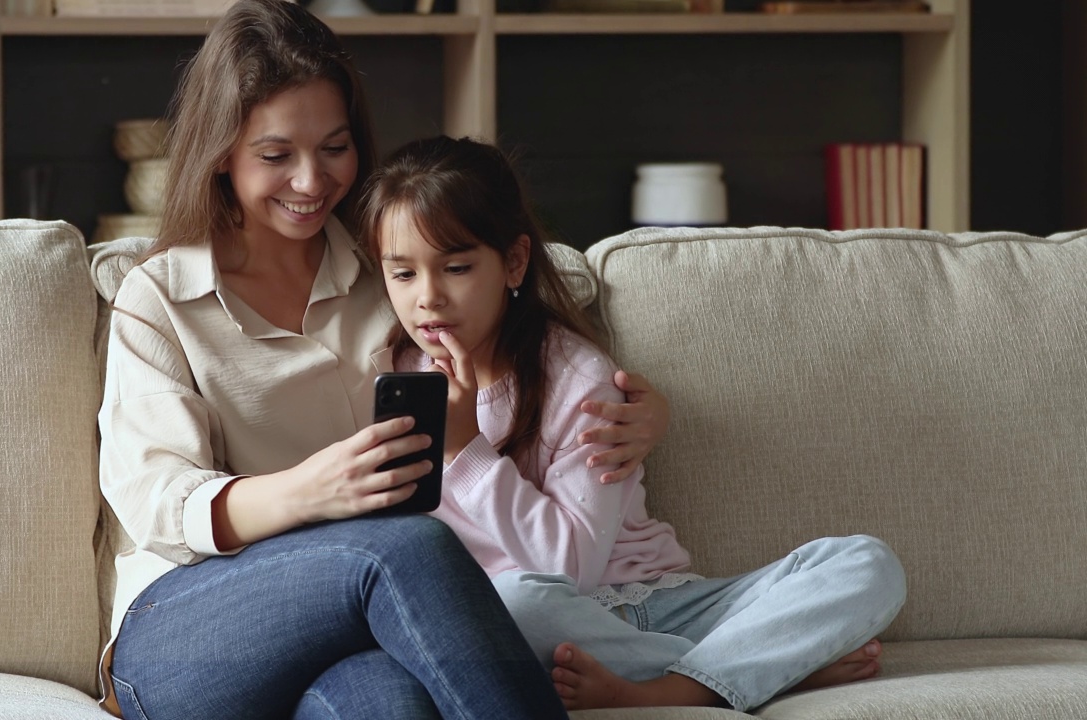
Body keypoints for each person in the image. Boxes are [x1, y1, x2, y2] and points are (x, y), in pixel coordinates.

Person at [96, 2, 669, 719]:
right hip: (191, 630)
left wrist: (640, 408)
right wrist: (312, 491)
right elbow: (159, 501)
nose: (312, 181)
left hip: (359, 631)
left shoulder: (395, 272)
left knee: (390, 702)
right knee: (404, 548)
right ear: (222, 155)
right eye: (276, 156)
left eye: (334, 148)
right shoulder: (160, 300)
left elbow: (521, 325)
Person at [356, 134, 908, 714]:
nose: (429, 299)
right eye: (403, 275)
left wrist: (467, 451)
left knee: (868, 564)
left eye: (458, 267)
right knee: (506, 605)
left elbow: (570, 565)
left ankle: (683, 686)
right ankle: (761, 667)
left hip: (661, 603)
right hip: (540, 618)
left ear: (514, 261)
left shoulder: (578, 376)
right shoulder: (393, 377)